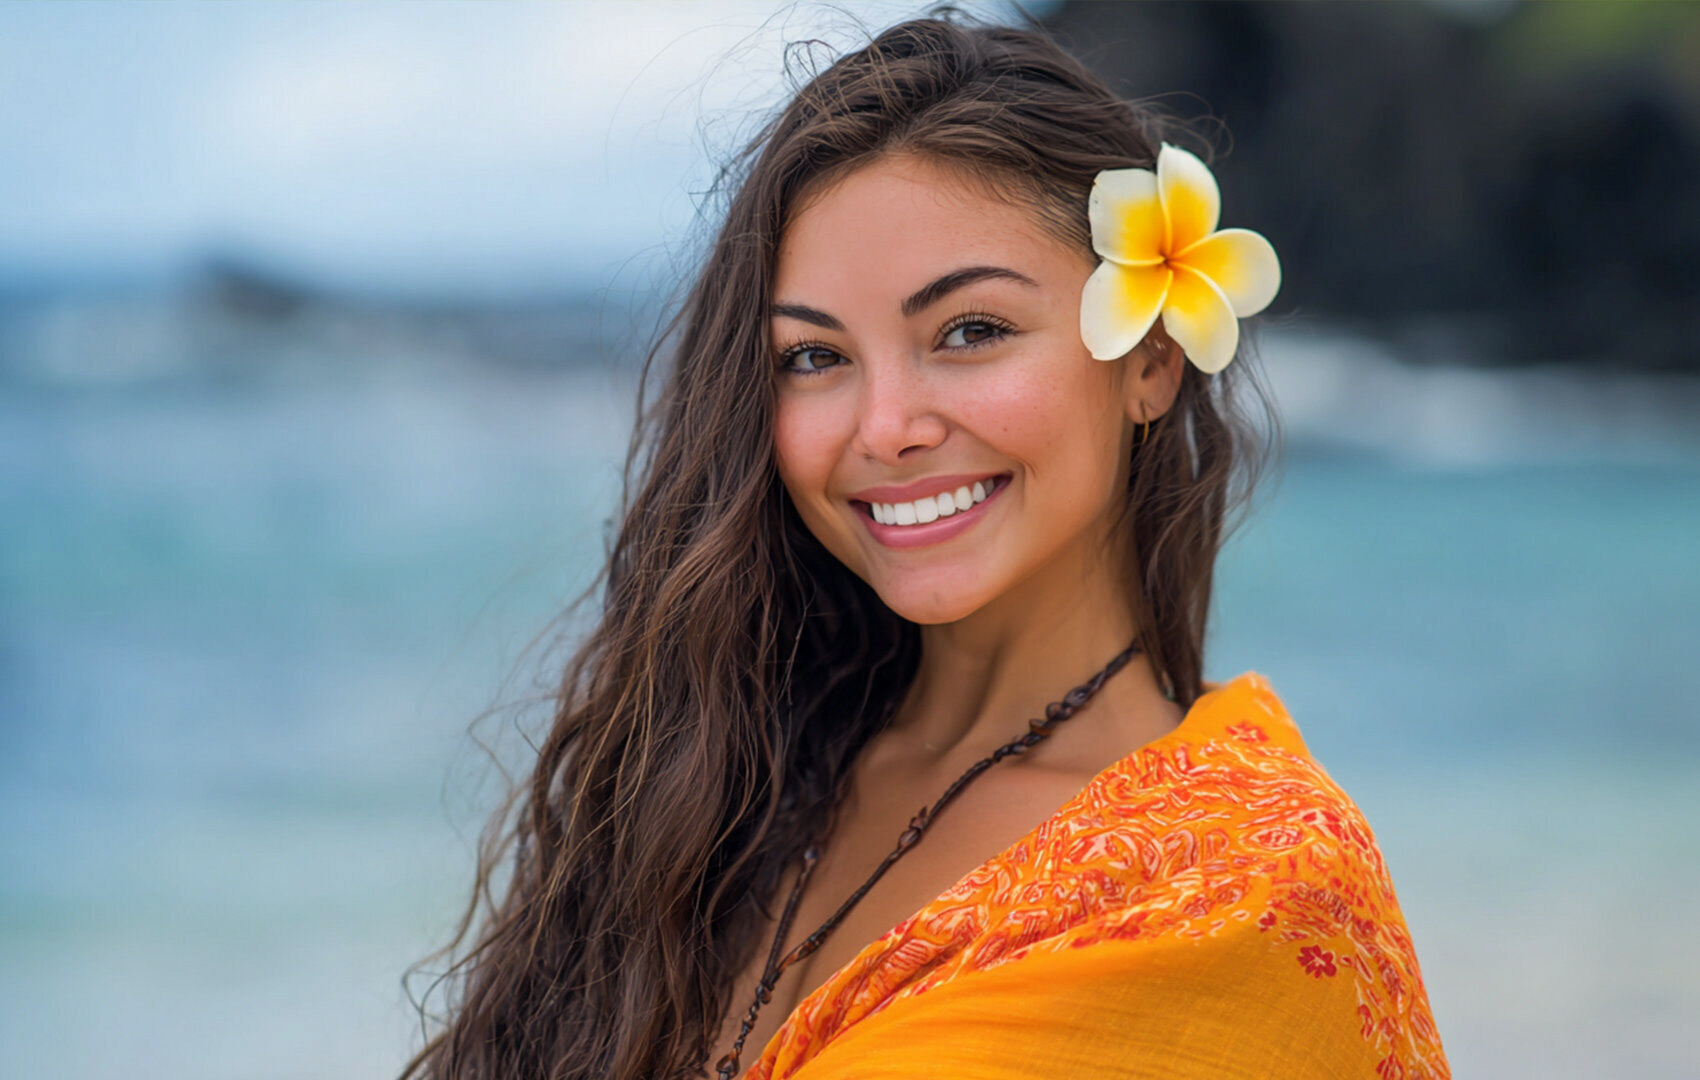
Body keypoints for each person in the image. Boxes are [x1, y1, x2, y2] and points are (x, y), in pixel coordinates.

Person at [400, 9, 1450, 1080]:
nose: (883, 427)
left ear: (1148, 363)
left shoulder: (1248, 888)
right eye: (813, 357)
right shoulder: (717, 790)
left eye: (968, 332)